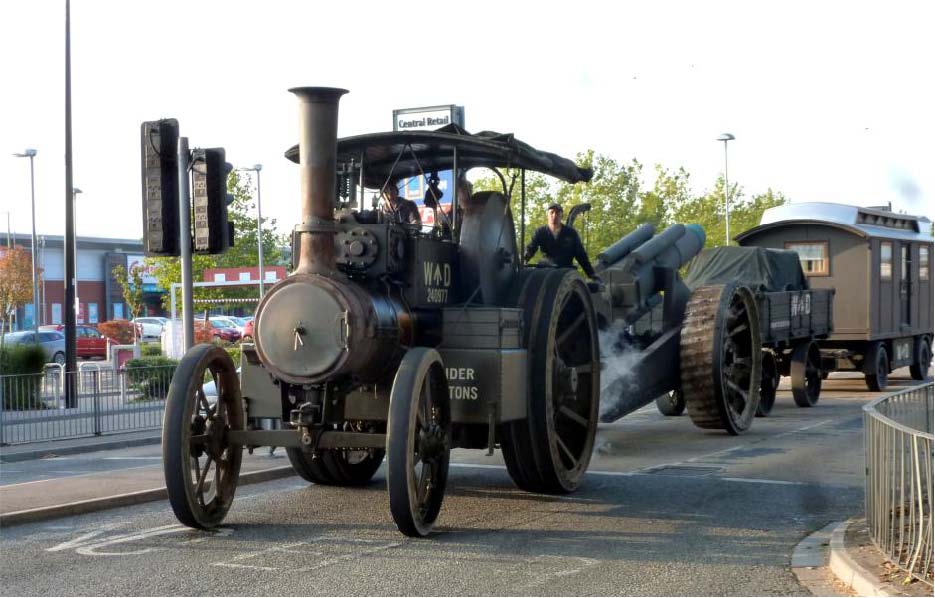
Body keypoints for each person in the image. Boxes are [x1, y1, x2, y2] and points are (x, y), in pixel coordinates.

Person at [523, 202, 601, 281]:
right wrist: (523, 260)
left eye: (557, 213)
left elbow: (581, 255)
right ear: (547, 215)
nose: (554, 215)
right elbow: (531, 248)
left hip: (565, 272)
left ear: (561, 215)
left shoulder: (571, 233)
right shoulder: (540, 232)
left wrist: (591, 274)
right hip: (545, 271)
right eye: (552, 212)